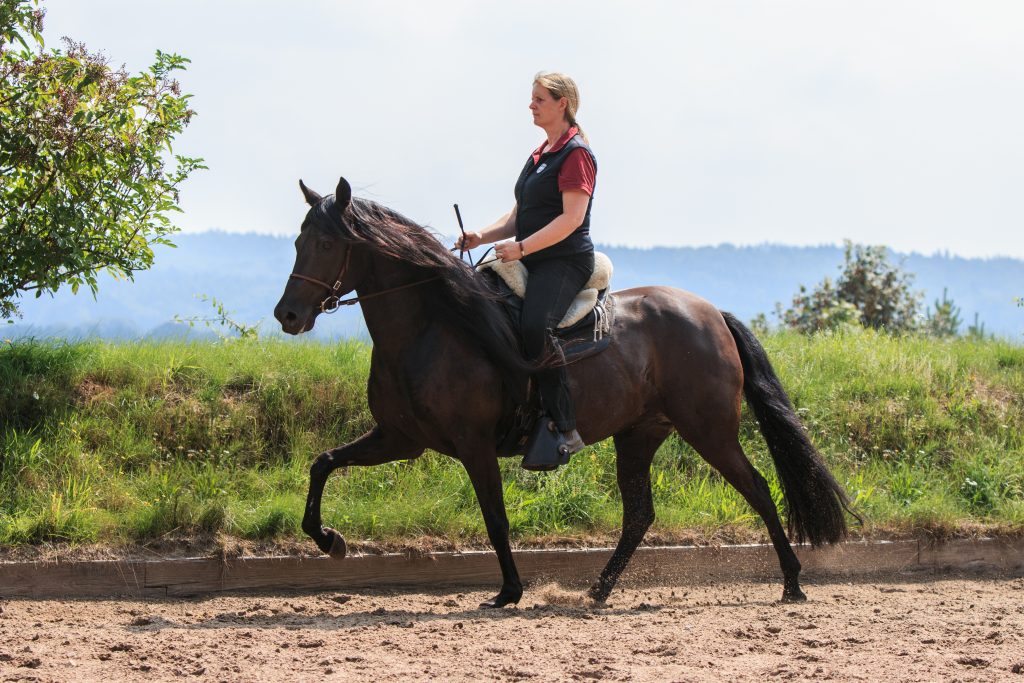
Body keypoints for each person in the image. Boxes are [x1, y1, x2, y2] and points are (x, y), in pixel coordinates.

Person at [457, 72, 597, 469]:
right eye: (532, 98)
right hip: (531, 255)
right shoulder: (541, 154)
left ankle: (565, 427)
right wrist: (480, 236)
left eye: (539, 99)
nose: (531, 105)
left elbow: (571, 219)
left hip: (564, 261)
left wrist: (520, 248)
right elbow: (519, 215)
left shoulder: (576, 154)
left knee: (535, 326)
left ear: (561, 105)